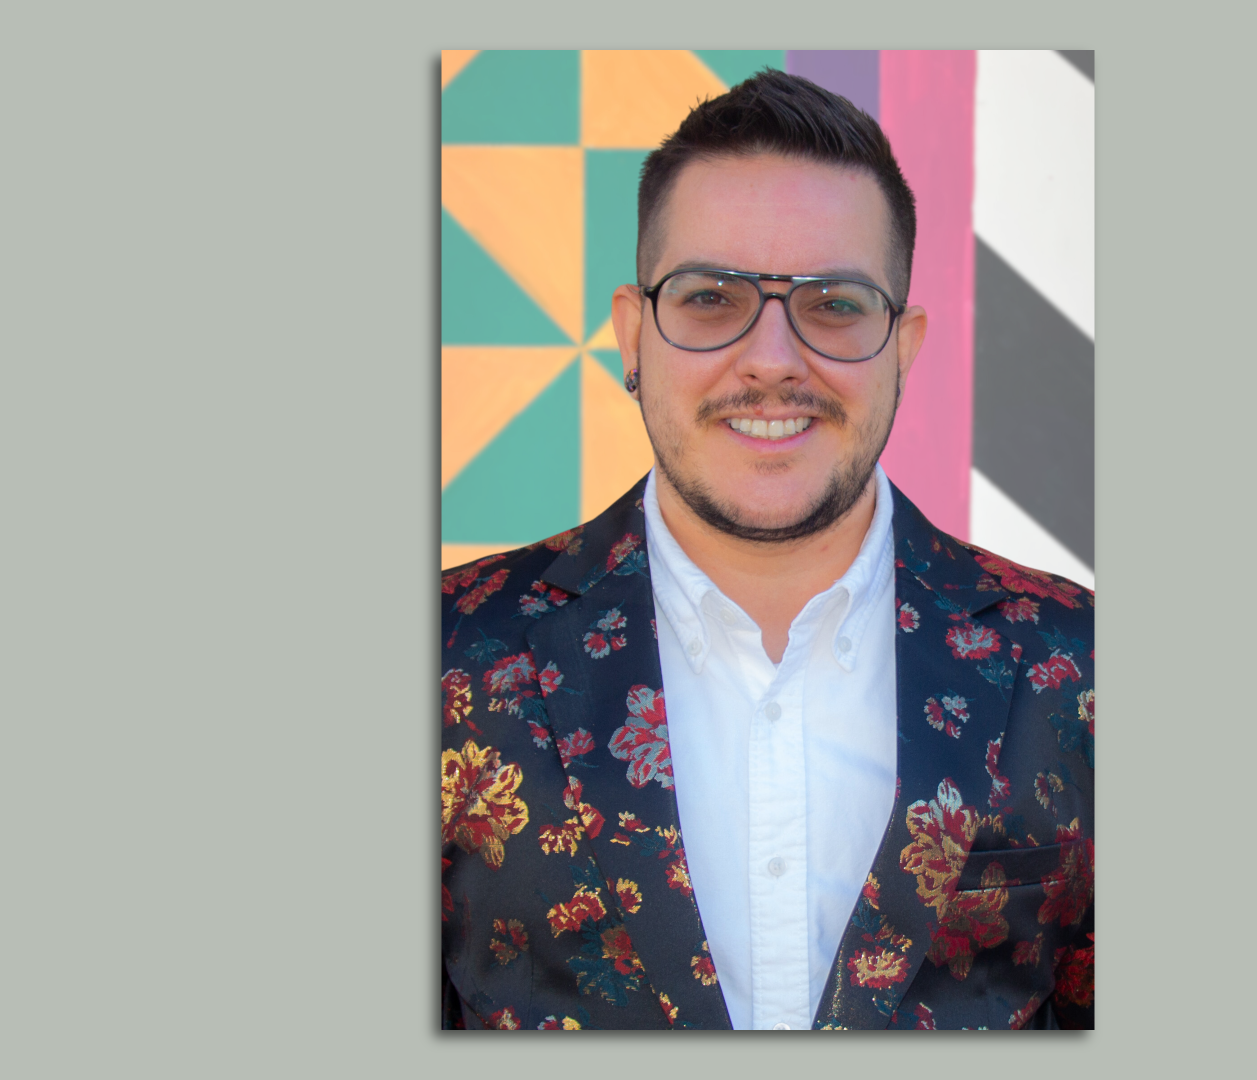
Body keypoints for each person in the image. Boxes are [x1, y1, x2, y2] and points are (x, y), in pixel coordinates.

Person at [441, 69, 1093, 1031]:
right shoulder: (445, 653)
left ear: (903, 350)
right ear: (632, 337)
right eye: (710, 298)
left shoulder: (1080, 663)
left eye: (833, 304)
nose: (774, 360)